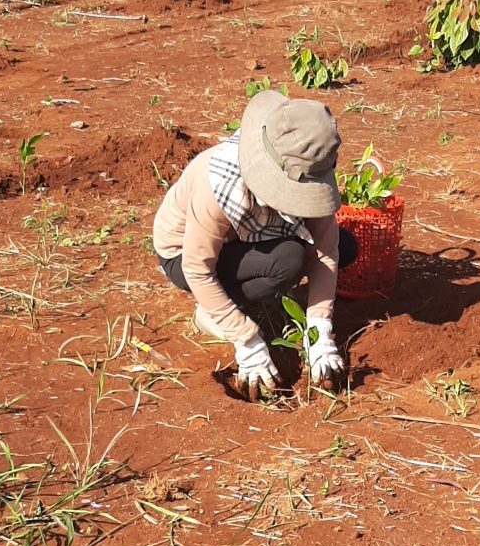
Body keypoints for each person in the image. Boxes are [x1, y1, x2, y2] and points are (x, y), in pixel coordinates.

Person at [153, 92, 358, 401]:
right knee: (288, 260)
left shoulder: (308, 162)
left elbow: (327, 251)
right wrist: (245, 338)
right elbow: (196, 268)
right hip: (183, 256)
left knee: (345, 245)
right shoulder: (219, 186)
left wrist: (319, 326)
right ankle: (212, 313)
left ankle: (252, 296)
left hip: (246, 239)